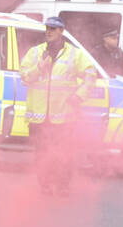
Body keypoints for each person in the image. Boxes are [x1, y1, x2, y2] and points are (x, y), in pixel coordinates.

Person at [19, 17, 98, 197]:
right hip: (38, 117)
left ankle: (63, 185)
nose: (49, 31)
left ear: (62, 31)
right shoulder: (35, 52)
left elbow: (90, 75)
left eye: (53, 29)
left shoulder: (74, 54)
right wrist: (39, 67)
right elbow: (24, 76)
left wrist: (79, 96)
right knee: (41, 154)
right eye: (47, 28)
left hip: (63, 115)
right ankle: (45, 185)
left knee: (64, 154)